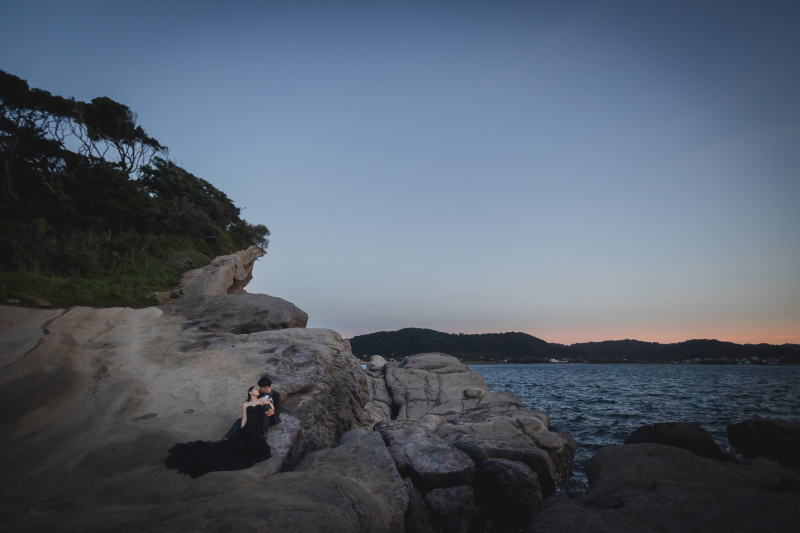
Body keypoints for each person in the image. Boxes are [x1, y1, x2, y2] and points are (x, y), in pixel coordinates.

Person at [165, 386, 272, 478]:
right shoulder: (246, 404)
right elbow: (244, 418)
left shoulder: (262, 400)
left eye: (257, 389)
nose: (257, 390)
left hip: (256, 427)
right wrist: (242, 428)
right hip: (247, 426)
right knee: (233, 447)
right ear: (250, 392)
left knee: (249, 444)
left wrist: (271, 411)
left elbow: (271, 407)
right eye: (255, 389)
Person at [222, 375, 281, 441]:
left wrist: (273, 412)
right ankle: (226, 438)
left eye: (260, 387)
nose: (259, 389)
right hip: (257, 417)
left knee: (266, 407)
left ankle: (264, 432)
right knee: (239, 421)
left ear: (266, 387)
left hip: (269, 417)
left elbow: (278, 409)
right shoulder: (259, 394)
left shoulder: (276, 395)